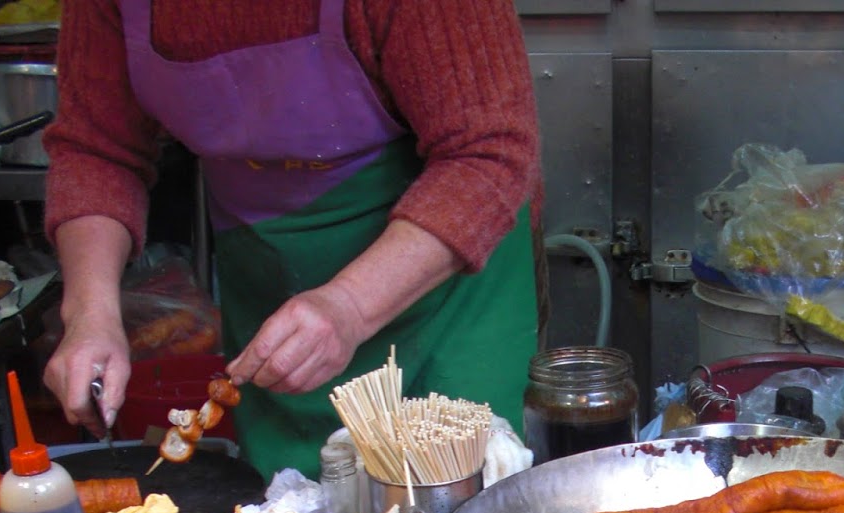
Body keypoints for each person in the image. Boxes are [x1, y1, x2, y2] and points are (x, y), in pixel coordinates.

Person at [42, 0, 540, 481]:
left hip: (441, 279)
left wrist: (349, 305)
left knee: (449, 511)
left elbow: (487, 153)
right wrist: (91, 314)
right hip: (271, 275)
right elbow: (97, 148)